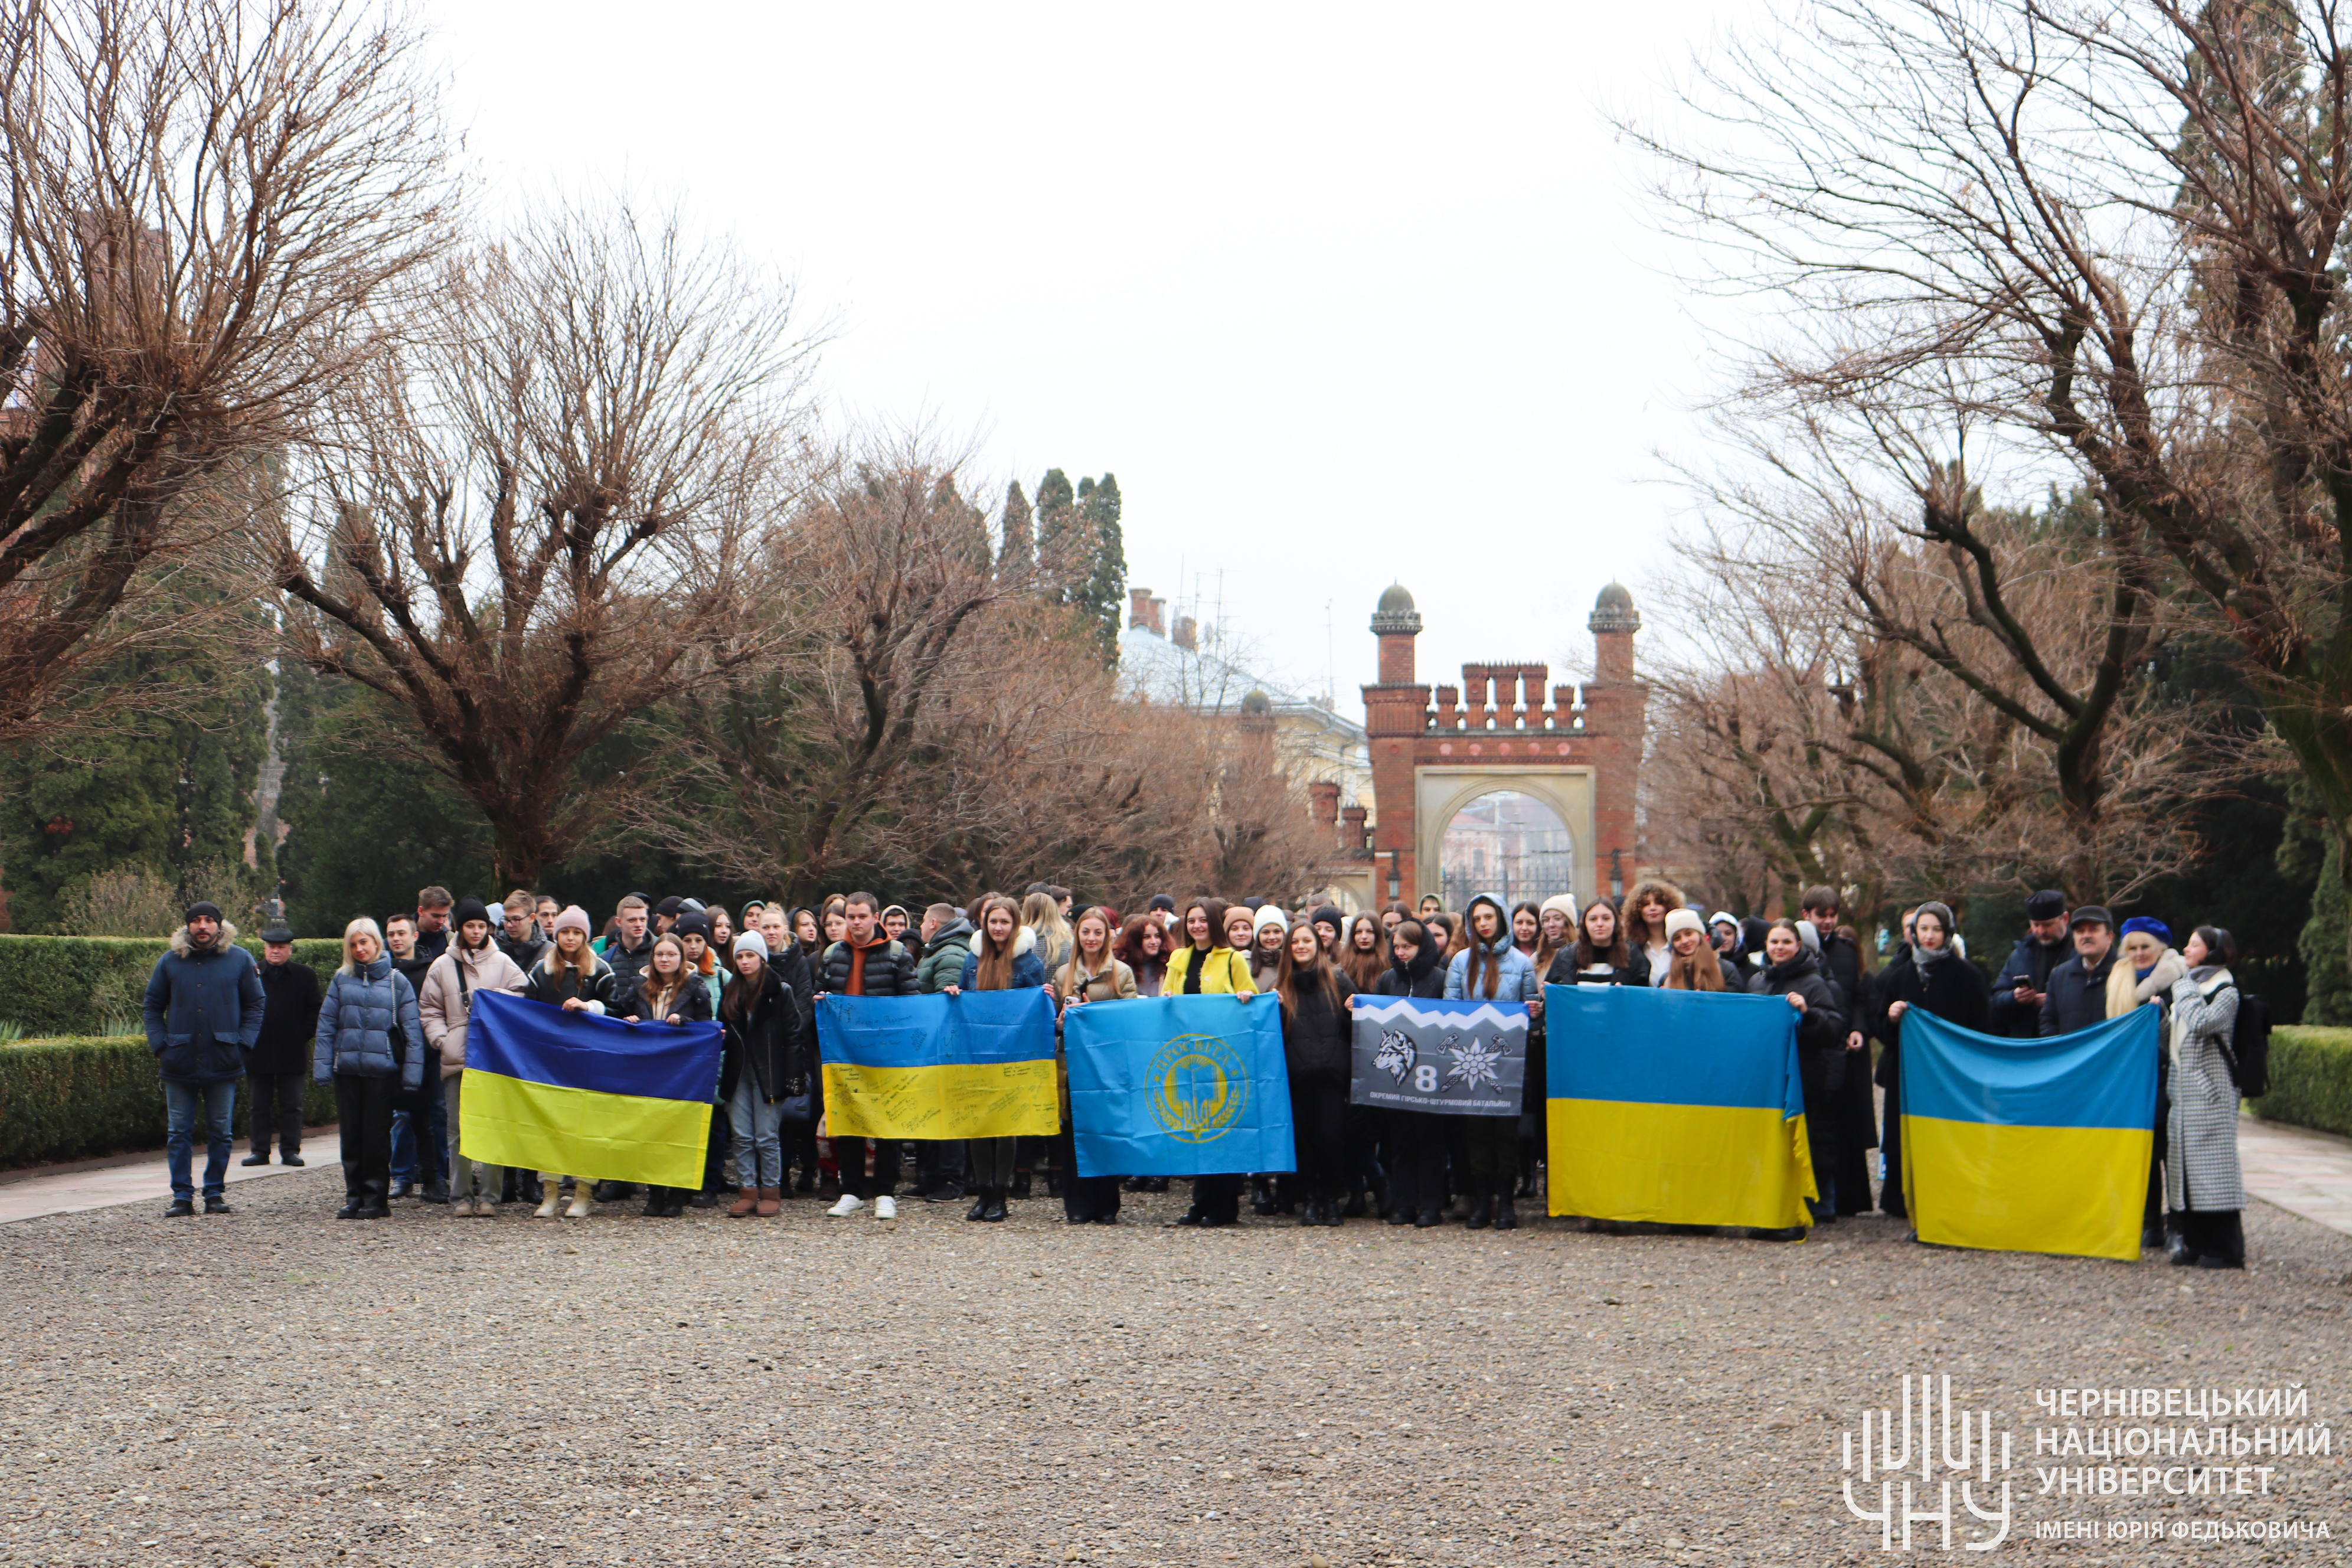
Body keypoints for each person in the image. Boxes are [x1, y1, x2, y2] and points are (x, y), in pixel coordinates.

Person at [143, 900, 266, 1217]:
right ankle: (182, 1196)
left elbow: (255, 1005)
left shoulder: (240, 960)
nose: (202, 926)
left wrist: (242, 1045)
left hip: (224, 1059)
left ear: (219, 926)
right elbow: (152, 1006)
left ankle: (214, 1193)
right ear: (188, 927)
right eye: (196, 921)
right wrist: (161, 1046)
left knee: (221, 1132)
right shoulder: (170, 962)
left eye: (208, 920)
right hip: (178, 1061)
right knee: (178, 1132)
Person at [1877, 900, 1990, 1223]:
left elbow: (1981, 1026)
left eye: (1936, 929)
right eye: (1923, 929)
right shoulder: (1901, 976)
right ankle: (1902, 1198)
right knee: (1906, 1132)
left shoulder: (1968, 976)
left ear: (1948, 933)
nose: (1929, 936)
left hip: (1950, 1076)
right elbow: (1882, 1031)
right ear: (1913, 932)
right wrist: (1892, 1017)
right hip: (1908, 1074)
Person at [419, 897, 530, 1217]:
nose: (477, 931)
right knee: (457, 1130)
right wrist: (443, 1040)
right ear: (460, 927)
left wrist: (492, 998)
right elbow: (429, 1009)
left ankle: (490, 1197)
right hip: (458, 1056)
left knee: (493, 1127)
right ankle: (461, 1195)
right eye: (471, 925)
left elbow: (524, 991)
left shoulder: (502, 961)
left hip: (492, 1057)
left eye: (482, 925)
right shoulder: (441, 965)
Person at [945, 894, 1053, 1222]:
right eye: (993, 921)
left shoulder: (1029, 964)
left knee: (1005, 1125)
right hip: (977, 1052)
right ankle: (983, 1192)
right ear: (984, 923)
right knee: (979, 1124)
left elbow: (1039, 1008)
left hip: (1012, 1056)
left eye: (1005, 922)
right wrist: (955, 994)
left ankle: (1001, 1195)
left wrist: (1048, 997)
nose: (998, 927)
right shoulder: (971, 960)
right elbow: (964, 998)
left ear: (1015, 924)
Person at [817, 890, 923, 1219]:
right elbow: (821, 991)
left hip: (886, 1054)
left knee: (886, 1124)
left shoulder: (896, 954)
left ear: (875, 918)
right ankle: (851, 1191)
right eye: (851, 917)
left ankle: (885, 1193)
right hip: (845, 1053)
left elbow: (912, 1000)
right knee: (848, 1122)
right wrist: (820, 1000)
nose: (856, 922)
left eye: (862, 916)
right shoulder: (833, 954)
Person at [313, 917, 427, 1220]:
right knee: (351, 1137)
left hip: (381, 1072)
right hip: (348, 1070)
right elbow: (326, 1026)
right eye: (353, 943)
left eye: (364, 941)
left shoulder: (396, 982)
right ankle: (354, 1196)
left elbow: (412, 1033)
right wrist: (323, 1068)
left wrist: (412, 1077)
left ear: (377, 943)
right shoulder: (341, 979)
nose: (359, 948)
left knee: (376, 1138)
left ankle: (376, 1197)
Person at [1443, 893, 1542, 1231]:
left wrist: (1534, 1012)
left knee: (1506, 1136)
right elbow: (1450, 1012)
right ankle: (1481, 1201)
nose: (1483, 923)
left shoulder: (1521, 963)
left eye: (1489, 916)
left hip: (1509, 1062)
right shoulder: (1459, 962)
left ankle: (1507, 1201)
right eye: (1477, 918)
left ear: (1499, 918)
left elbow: (1532, 1012)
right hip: (1471, 1063)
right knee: (1477, 1135)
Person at [1746, 918, 1848, 1228]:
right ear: (1766, 945)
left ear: (1799, 946)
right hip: (1764, 1077)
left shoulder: (1814, 983)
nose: (1779, 947)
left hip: (1803, 1076)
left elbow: (1834, 1029)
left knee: (1796, 1145)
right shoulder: (1756, 982)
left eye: (1786, 942)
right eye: (1774, 942)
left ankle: (1793, 1211)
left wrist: (1808, 1013)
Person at [1167, 897, 1262, 1227]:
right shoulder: (1178, 957)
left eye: (1202, 920)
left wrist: (1245, 998)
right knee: (1198, 1128)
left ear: (1214, 924)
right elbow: (1169, 996)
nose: (1196, 926)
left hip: (1224, 1056)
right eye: (1191, 920)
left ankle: (1225, 1206)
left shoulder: (1233, 958)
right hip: (1188, 1055)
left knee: (1225, 1128)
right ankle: (1200, 1203)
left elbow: (1249, 998)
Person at [521, 906, 619, 1218]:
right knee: (550, 1126)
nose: (571, 937)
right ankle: (550, 1191)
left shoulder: (601, 970)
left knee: (586, 1127)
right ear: (556, 934)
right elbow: (527, 1013)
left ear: (586, 936)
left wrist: (589, 1006)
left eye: (577, 932)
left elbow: (617, 1012)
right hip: (551, 1062)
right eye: (565, 932)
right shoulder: (540, 971)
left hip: (590, 1062)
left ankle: (583, 1191)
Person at [612, 932, 716, 1217]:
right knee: (650, 1130)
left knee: (678, 1129)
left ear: (681, 958)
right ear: (653, 958)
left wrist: (686, 1022)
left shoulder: (695, 988)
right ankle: (655, 1194)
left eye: (671, 954)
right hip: (648, 1072)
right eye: (660, 955)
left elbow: (708, 1027)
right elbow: (617, 1014)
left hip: (683, 1073)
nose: (665, 959)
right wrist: (628, 1020)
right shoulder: (638, 988)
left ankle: (677, 1194)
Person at [2168, 926, 2247, 1268]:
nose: (2186, 949)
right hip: (2183, 1098)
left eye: (2194, 944)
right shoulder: (2192, 988)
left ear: (2214, 952)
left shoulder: (2226, 990)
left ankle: (2228, 1251)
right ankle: (2194, 1244)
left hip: (2211, 1096)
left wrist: (2182, 986)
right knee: (2186, 1175)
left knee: (2216, 1177)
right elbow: (2173, 1042)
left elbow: (2202, 1023)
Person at [718, 930, 810, 1218]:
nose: (745, 961)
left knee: (766, 1135)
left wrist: (792, 1078)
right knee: (742, 1135)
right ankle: (747, 1189)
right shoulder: (731, 990)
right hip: (738, 1071)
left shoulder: (779, 991)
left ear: (762, 958)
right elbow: (724, 1030)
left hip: (770, 1072)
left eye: (750, 955)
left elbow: (794, 1036)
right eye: (740, 956)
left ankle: (771, 1189)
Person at [1798, 886, 1877, 1215]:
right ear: (1806, 916)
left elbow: (1859, 996)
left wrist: (1858, 1028)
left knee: (1842, 1126)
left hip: (1844, 1046)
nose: (1829, 922)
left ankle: (1844, 1199)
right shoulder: (1795, 948)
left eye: (1833, 916)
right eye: (1822, 916)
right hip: (1813, 1046)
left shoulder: (1846, 951)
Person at [1272, 918, 1356, 1226]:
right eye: (1295, 942)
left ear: (1318, 945)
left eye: (1306, 941)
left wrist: (1352, 1012)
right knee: (1304, 1141)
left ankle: (1330, 1199)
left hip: (1331, 1076)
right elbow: (1275, 1035)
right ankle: (1308, 1199)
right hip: (1298, 1077)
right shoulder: (1280, 988)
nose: (1301, 947)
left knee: (1331, 1139)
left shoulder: (1339, 980)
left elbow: (1354, 1029)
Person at [1055, 905, 1136, 1224]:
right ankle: (1077, 1204)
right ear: (1078, 934)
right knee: (1074, 1133)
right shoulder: (1063, 974)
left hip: (1107, 1065)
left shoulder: (1122, 972)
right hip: (1072, 1062)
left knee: (1105, 1130)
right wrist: (1061, 1021)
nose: (1091, 938)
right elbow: (1051, 1023)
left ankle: (1106, 1203)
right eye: (1086, 931)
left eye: (1098, 932)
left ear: (1107, 936)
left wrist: (1096, 1015)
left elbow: (1131, 1019)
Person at [2112, 915, 2188, 1250]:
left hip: (2166, 1076)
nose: (2139, 953)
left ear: (2159, 949)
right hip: (2132, 1078)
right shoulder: (2118, 979)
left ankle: (2176, 1224)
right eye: (2133, 947)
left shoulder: (2177, 980)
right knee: (2142, 1152)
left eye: (2145, 947)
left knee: (2168, 1156)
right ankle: (2149, 1223)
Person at [1373, 918, 1451, 1226]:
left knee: (1431, 1140)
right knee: (1401, 1141)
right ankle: (1404, 1203)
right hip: (1398, 1081)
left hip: (1431, 1077)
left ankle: (1431, 1205)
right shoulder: (1387, 980)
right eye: (1398, 947)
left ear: (1424, 946)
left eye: (1409, 946)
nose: (1403, 952)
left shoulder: (1440, 979)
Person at [243, 924, 319, 1170]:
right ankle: (260, 1151)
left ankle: (290, 1150)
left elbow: (315, 1010)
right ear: (264, 949)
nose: (276, 951)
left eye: (281, 947)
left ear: (290, 949)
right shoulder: (252, 974)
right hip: (258, 1050)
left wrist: (302, 1034)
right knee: (259, 1105)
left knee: (292, 1105)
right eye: (271, 947)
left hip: (292, 1050)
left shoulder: (305, 975)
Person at [383, 913, 446, 1204]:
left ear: (414, 936)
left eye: (401, 933)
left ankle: (437, 1177)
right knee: (401, 1118)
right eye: (391, 933)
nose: (396, 938)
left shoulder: (431, 971)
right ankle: (403, 1177)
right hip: (394, 1056)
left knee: (435, 1116)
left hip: (429, 1055)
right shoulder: (382, 972)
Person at [1989, 890, 2072, 1038]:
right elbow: (1996, 999)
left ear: (2065, 919)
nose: (2040, 931)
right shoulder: (2020, 954)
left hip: (2067, 1039)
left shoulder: (2079, 953)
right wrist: (2014, 997)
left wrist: (2054, 1001)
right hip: (2026, 1042)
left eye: (2047, 925)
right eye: (2035, 925)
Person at [1546, 897, 1647, 987]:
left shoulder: (1632, 954)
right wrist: (1546, 995)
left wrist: (1626, 994)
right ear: (1584, 924)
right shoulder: (1566, 955)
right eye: (1593, 919)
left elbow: (1643, 996)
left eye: (1606, 918)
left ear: (1616, 922)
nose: (1600, 924)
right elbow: (1552, 997)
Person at [1660, 908, 1743, 989]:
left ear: (1700, 935)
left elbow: (1736, 1001)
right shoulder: (1667, 980)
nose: (1684, 941)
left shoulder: (1726, 970)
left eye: (1689, 934)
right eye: (1677, 938)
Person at [1622, 880, 1685, 988]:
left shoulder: (1682, 943)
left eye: (1659, 903)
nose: (1653, 908)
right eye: (1646, 904)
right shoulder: (1631, 949)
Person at [599, 894, 657, 988]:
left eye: (642, 919)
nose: (638, 925)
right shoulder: (605, 960)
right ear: (619, 922)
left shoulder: (659, 956)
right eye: (632, 920)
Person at [1116, 913, 1170, 997]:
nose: (1154, 942)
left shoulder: (1169, 964)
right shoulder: (1121, 967)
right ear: (1135, 941)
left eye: (1157, 936)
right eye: (1147, 937)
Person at [498, 890, 548, 971]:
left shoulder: (550, 952)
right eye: (506, 919)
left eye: (516, 919)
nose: (509, 925)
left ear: (532, 918)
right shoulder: (493, 949)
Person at [1340, 913, 1386, 992]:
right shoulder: (1342, 966)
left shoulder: (1388, 964)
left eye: (1370, 931)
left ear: (1378, 935)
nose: (1364, 936)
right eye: (1358, 932)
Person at [1249, 904, 1289, 991]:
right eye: (1266, 932)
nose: (1272, 937)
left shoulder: (1295, 963)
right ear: (1258, 935)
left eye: (1277, 931)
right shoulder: (1247, 966)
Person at [413, 886, 453, 964]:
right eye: (436, 916)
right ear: (421, 911)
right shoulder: (401, 937)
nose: (441, 922)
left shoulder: (452, 941)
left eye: (445, 916)